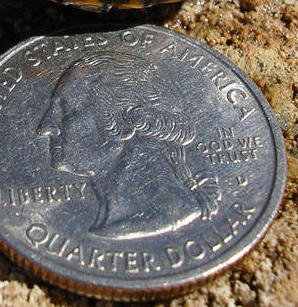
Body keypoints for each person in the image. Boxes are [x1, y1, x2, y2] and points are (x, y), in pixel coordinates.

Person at [36, 51, 220, 239]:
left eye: (65, 110)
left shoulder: (157, 217)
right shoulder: (112, 221)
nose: (45, 128)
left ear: (123, 121)